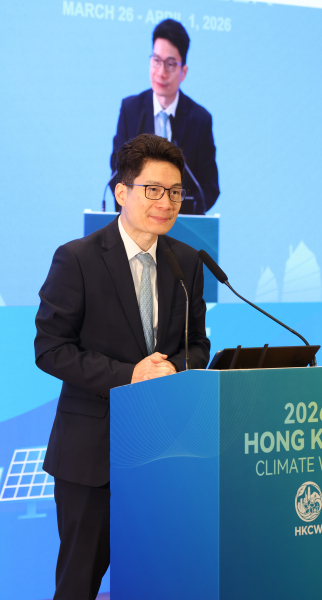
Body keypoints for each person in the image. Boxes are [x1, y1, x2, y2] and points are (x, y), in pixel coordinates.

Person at [35, 133, 210, 599]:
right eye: (153, 189)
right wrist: (130, 374)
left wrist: (174, 367)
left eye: (175, 192)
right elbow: (50, 348)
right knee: (79, 583)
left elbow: (197, 345)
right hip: (93, 455)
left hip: (164, 452)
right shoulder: (77, 258)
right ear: (121, 192)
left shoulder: (187, 262)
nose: (166, 202)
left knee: (158, 582)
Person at [110, 19, 220, 215]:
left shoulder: (200, 120)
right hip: (137, 220)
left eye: (170, 64)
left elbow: (209, 187)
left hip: (180, 222)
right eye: (156, 61)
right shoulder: (131, 110)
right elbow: (117, 174)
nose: (161, 72)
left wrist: (174, 208)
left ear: (183, 72)